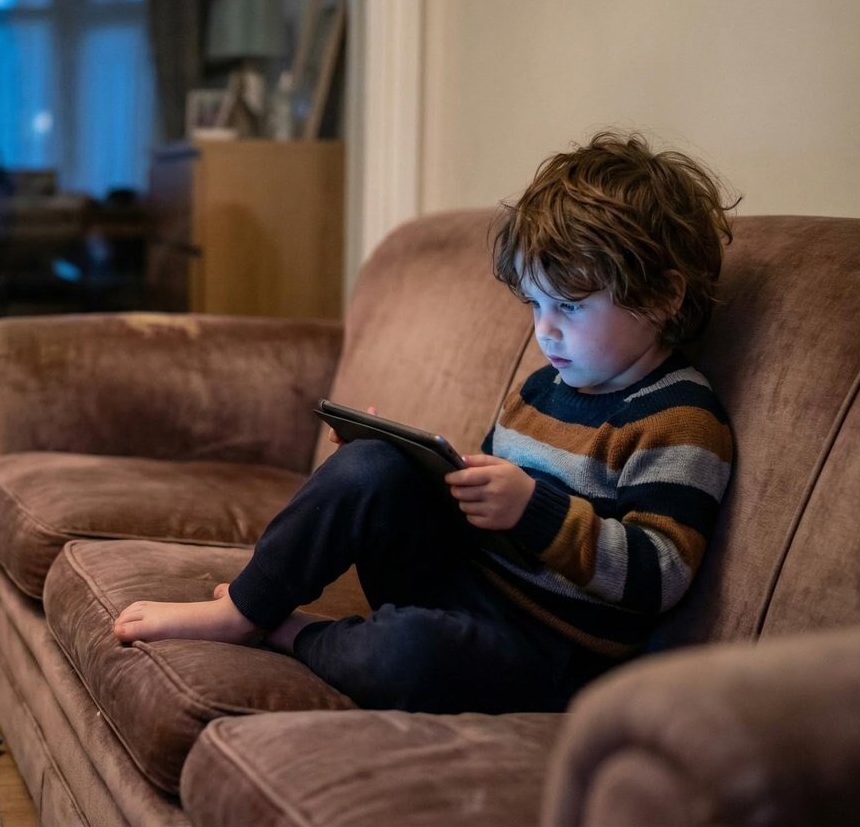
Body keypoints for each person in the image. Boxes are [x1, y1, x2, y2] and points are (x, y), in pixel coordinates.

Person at [113, 131, 736, 713]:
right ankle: (246, 609)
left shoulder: (680, 420)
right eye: (536, 304)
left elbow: (660, 577)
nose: (545, 331)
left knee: (409, 653)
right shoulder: (543, 387)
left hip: (552, 651)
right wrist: (413, 461)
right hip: (470, 585)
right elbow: (485, 511)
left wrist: (534, 510)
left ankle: (298, 635)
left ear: (662, 297)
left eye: (569, 307)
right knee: (369, 466)